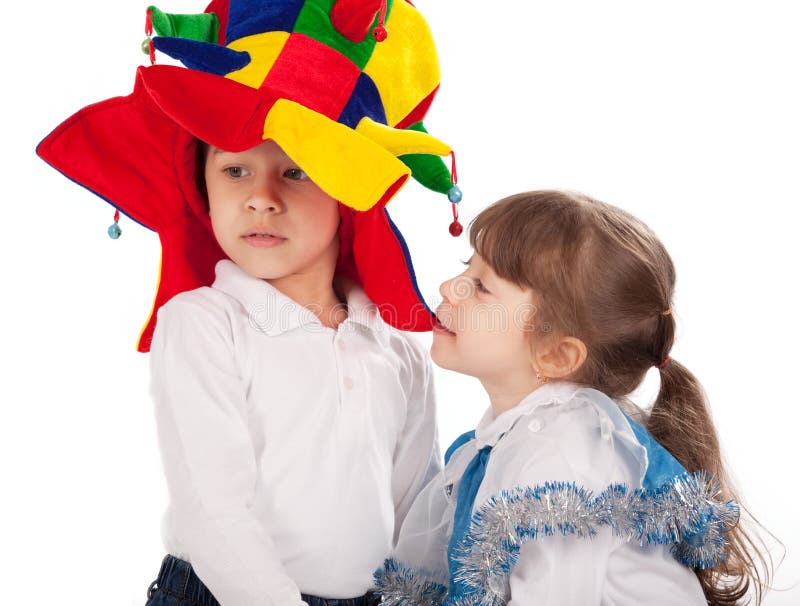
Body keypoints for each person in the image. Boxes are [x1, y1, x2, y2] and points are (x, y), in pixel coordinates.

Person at [36, 1, 465, 604]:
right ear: (202, 187)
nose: (261, 198)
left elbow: (415, 509)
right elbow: (214, 511)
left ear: (348, 193)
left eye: (295, 172)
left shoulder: (392, 346)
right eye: (235, 171)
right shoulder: (203, 324)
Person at [375, 190, 770, 605]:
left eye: (482, 287)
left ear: (558, 354)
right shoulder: (510, 440)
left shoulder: (561, 456)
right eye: (465, 267)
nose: (448, 288)